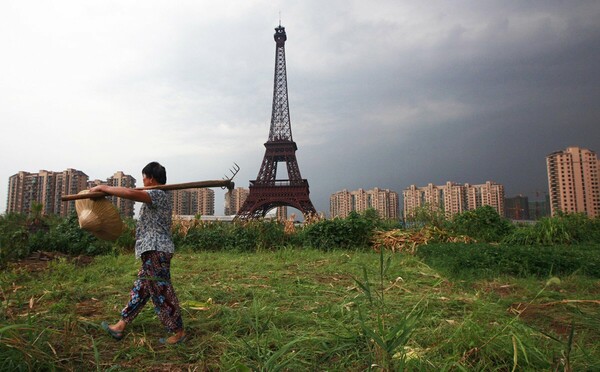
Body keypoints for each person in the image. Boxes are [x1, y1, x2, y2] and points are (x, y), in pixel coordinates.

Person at [92, 161, 186, 345]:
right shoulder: (158, 195)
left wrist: (105, 188)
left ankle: (178, 331)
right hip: (151, 250)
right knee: (141, 289)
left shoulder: (158, 194)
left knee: (162, 291)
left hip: (156, 250)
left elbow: (129, 194)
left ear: (150, 178)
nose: (142, 180)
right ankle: (121, 325)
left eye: (144, 177)